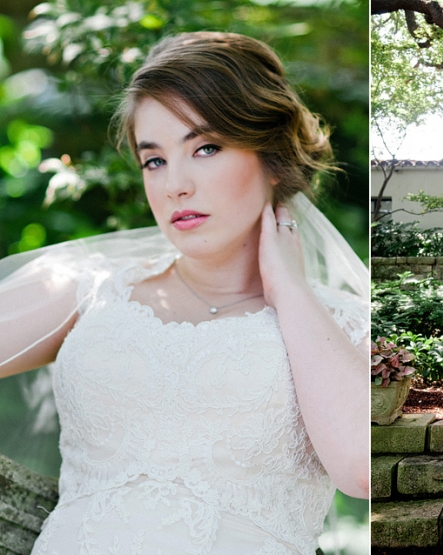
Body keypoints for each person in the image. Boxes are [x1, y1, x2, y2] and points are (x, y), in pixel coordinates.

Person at [0, 32, 369, 554]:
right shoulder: (86, 288)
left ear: (271, 153)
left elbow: (361, 468)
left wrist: (290, 291)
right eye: (155, 160)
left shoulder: (343, 324)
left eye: (206, 148)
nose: (175, 184)